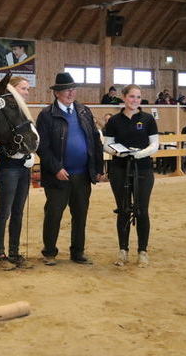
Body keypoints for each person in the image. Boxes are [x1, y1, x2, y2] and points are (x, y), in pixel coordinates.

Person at [36, 72, 104, 266]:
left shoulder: (84, 111)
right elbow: (42, 146)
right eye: (67, 89)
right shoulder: (47, 115)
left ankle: (78, 252)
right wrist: (56, 167)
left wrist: (98, 167)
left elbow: (95, 141)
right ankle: (49, 252)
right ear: (57, 93)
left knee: (80, 215)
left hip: (83, 175)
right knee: (54, 214)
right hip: (58, 176)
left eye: (73, 89)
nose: (71, 93)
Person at [103, 84, 159, 268]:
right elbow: (107, 145)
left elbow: (154, 145)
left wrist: (139, 154)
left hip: (142, 169)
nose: (135, 100)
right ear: (124, 97)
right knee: (123, 209)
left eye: (138, 97)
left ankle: (142, 251)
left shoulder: (148, 119)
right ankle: (123, 250)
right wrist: (120, 153)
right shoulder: (114, 121)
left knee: (142, 209)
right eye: (132, 96)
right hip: (120, 169)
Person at [0, 76, 34, 270]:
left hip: (24, 167)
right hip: (8, 168)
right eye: (24, 88)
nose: (27, 92)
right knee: (4, 211)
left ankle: (14, 252)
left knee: (18, 212)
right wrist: (5, 153)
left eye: (27, 89)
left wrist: (31, 155)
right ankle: (0, 254)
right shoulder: (3, 112)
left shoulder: (24, 113)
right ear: (14, 90)